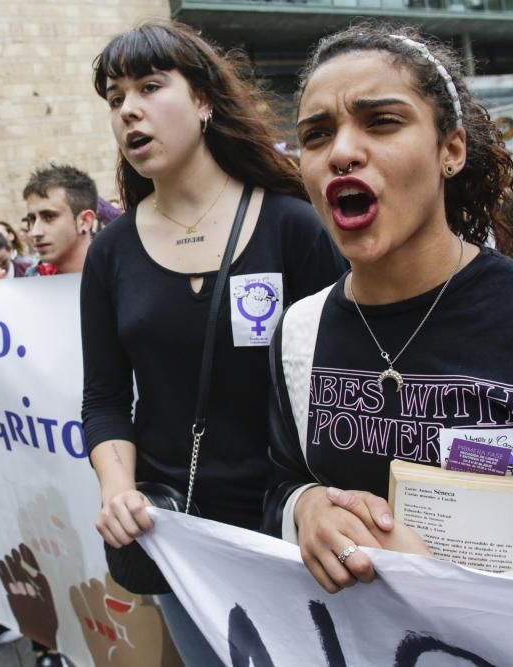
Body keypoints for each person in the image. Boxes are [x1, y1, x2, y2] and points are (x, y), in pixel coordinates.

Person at [263, 24, 513, 595]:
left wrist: (461, 591)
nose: (341, 152)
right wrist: (306, 509)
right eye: (316, 135)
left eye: (381, 121)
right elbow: (278, 484)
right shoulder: (298, 332)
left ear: (451, 150)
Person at [82, 20, 345, 665]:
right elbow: (106, 398)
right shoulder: (110, 254)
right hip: (179, 532)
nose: (129, 110)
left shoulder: (293, 225)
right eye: (115, 99)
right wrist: (119, 489)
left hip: (293, 527)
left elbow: (344, 377)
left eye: (149, 86)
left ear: (202, 101)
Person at [0, 164, 99, 666]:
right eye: (28, 218)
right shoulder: (24, 286)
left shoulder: (119, 274)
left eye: (47, 216)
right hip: (50, 460)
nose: (33, 231)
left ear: (84, 220)